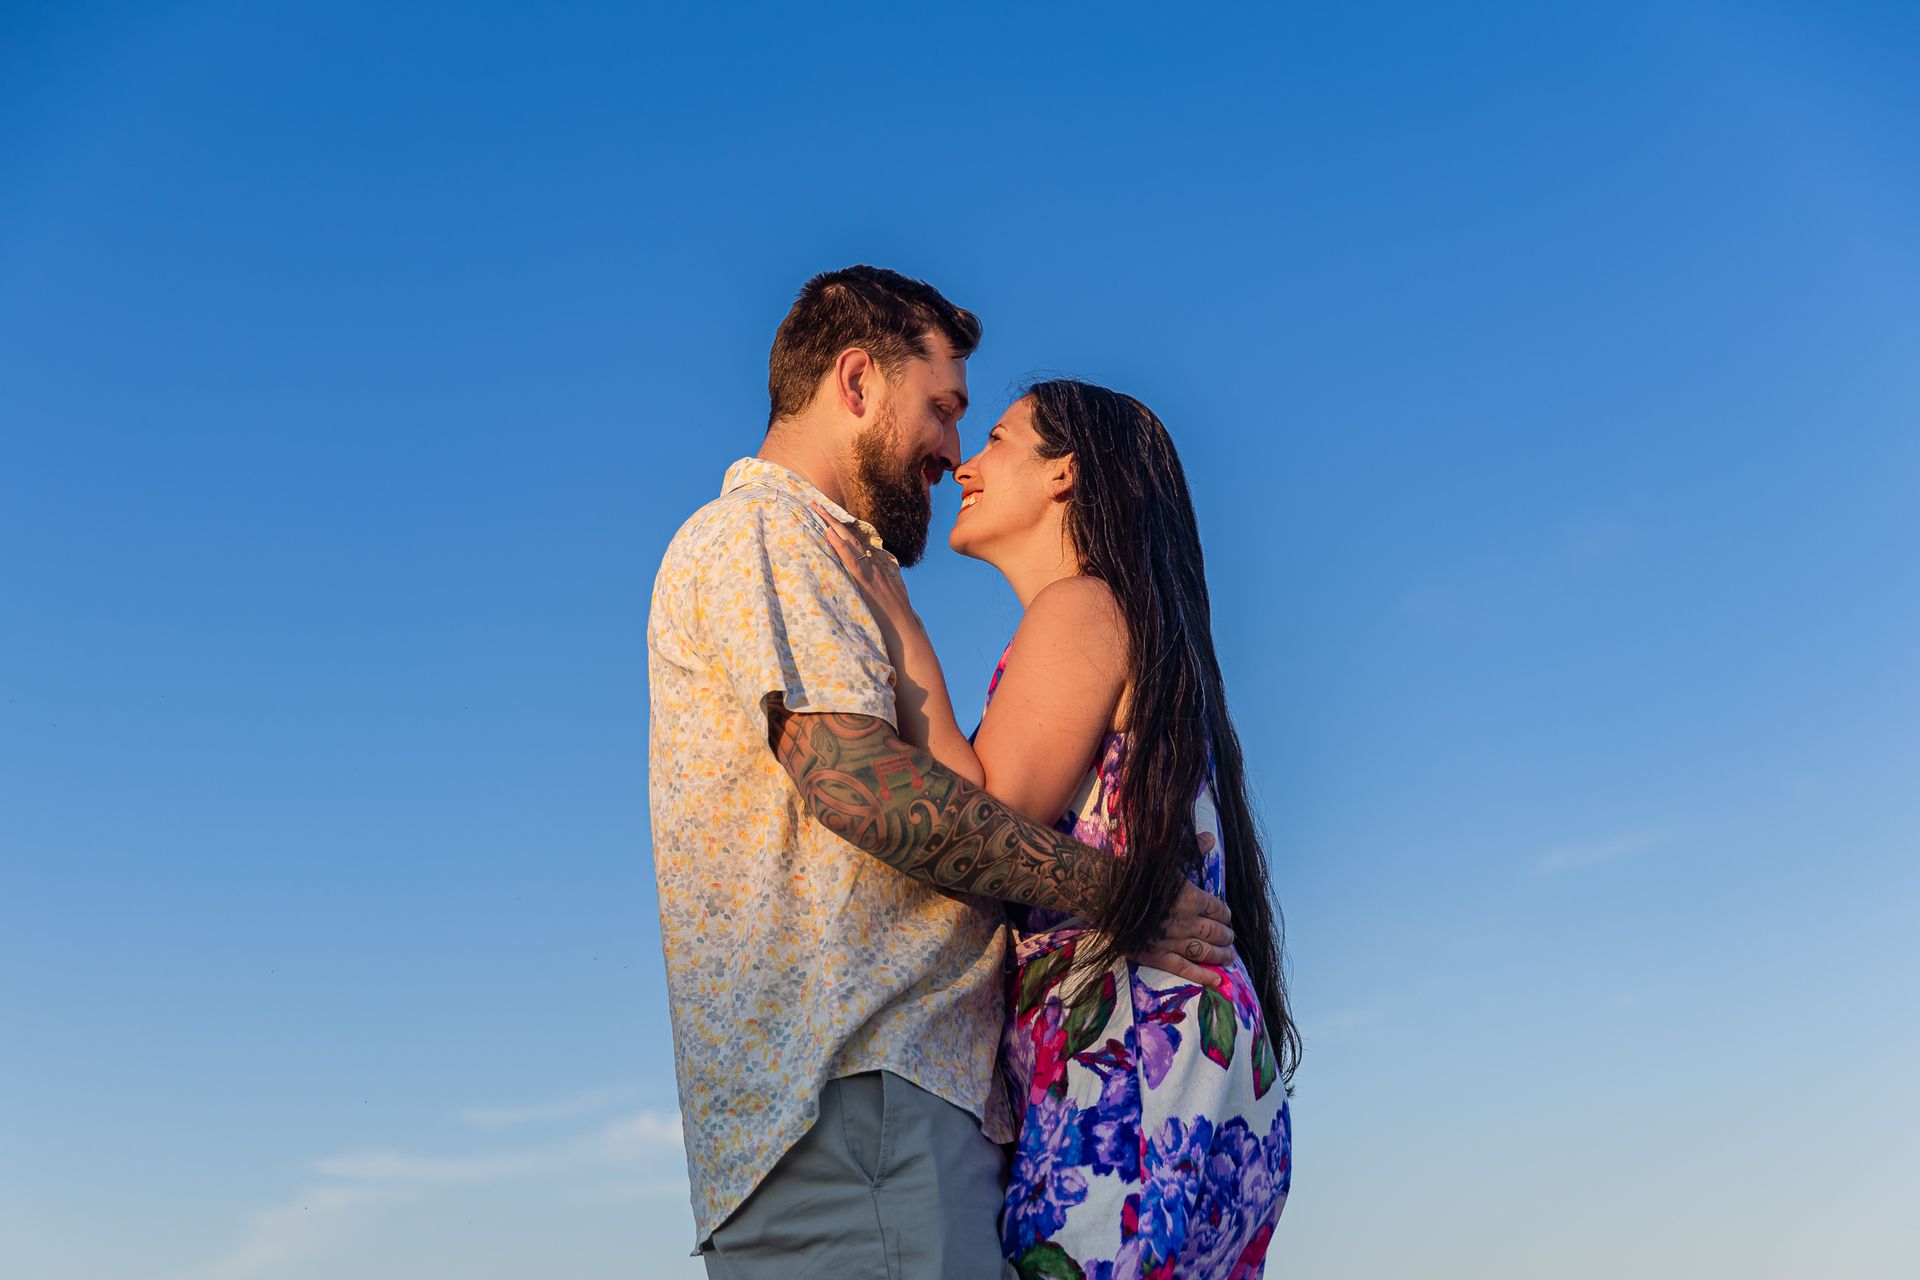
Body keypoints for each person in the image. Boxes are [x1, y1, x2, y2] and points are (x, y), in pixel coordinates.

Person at [646, 267, 1236, 1279]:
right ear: (858, 380)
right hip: (866, 1096)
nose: (952, 452)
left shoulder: (833, 561)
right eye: (945, 408)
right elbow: (861, 785)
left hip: (893, 1106)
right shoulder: (766, 532)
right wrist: (1118, 895)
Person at [814, 379, 1300, 1278]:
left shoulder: (1081, 608)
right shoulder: (1126, 618)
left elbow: (986, 818)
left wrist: (894, 613)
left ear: (1063, 475)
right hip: (1177, 1055)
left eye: (997, 438)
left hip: (1129, 1058)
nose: (966, 460)